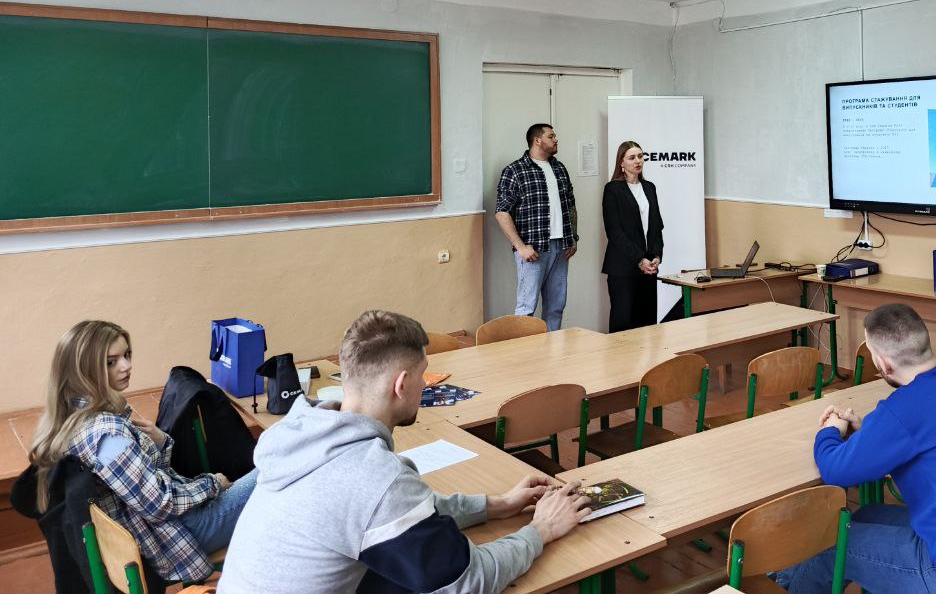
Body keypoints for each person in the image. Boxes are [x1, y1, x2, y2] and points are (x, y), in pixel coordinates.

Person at [217, 310, 590, 594]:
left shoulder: (305, 434)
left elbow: (400, 513)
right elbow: (468, 580)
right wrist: (540, 530)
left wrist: (497, 505)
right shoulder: (374, 477)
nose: (425, 385)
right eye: (423, 375)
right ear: (401, 384)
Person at [775, 304, 936, 594]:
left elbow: (835, 470)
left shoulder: (904, 409)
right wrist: (870, 431)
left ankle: (786, 586)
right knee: (864, 516)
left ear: (883, 364)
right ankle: (783, 580)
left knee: (833, 546)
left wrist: (829, 431)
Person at [28, 321, 257, 583]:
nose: (126, 366)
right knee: (274, 472)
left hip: (163, 529)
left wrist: (160, 443)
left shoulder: (71, 417)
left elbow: (141, 485)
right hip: (177, 537)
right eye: (111, 362)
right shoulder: (107, 435)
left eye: (127, 355)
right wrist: (212, 483)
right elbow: (160, 503)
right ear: (82, 370)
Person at [494, 123, 578, 330]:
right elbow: (502, 212)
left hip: (561, 247)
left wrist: (573, 237)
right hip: (533, 250)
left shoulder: (559, 168)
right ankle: (524, 351)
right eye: (551, 136)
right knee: (526, 309)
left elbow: (570, 205)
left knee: (556, 307)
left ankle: (552, 348)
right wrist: (520, 247)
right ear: (537, 140)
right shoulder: (515, 170)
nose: (556, 140)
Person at [601, 141, 665, 332]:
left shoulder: (649, 187)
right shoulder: (613, 189)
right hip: (623, 267)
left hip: (649, 268)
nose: (638, 161)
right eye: (631, 157)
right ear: (621, 163)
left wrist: (656, 255)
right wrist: (639, 259)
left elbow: (657, 226)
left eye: (640, 156)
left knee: (648, 323)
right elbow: (614, 232)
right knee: (624, 323)